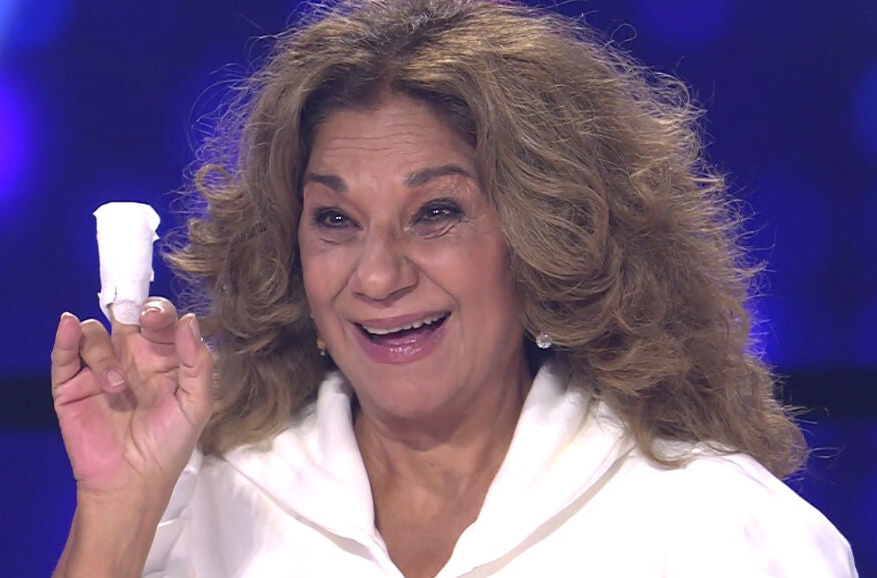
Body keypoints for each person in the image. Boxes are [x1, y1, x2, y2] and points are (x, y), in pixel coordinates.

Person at [49, 1, 859, 576]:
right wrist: (118, 507)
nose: (378, 275)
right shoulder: (201, 517)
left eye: (436, 212)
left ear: (544, 240)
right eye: (335, 219)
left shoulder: (719, 530)